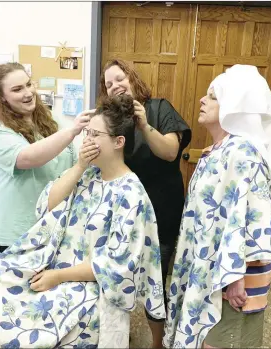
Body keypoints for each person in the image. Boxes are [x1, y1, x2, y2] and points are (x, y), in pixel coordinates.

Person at [0, 95, 166, 349]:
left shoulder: (131, 195)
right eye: (87, 132)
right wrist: (80, 166)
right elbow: (48, 205)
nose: (87, 140)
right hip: (53, 262)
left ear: (118, 142)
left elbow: (116, 266)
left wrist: (57, 277)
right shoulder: (87, 175)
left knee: (27, 321)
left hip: (90, 283)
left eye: (95, 134)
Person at [163, 65, 271, 349]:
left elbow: (256, 219)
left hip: (232, 277)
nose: (203, 101)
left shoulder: (243, 153)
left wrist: (235, 277)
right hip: (210, 269)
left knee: (220, 340)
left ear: (235, 106)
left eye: (213, 96)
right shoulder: (219, 151)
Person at [99, 59, 192, 348]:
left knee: (155, 281)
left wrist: (144, 124)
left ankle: (156, 342)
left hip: (162, 210)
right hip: (124, 213)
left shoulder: (160, 108)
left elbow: (169, 152)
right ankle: (116, 331)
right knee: (115, 274)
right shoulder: (110, 121)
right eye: (108, 84)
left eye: (119, 78)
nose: (115, 86)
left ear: (132, 77)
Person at [0, 62, 93, 253]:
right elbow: (29, 158)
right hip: (17, 229)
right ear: (1, 97)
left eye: (29, 84)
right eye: (17, 89)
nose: (27, 93)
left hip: (52, 224)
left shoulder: (49, 122)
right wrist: (73, 130)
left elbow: (73, 161)